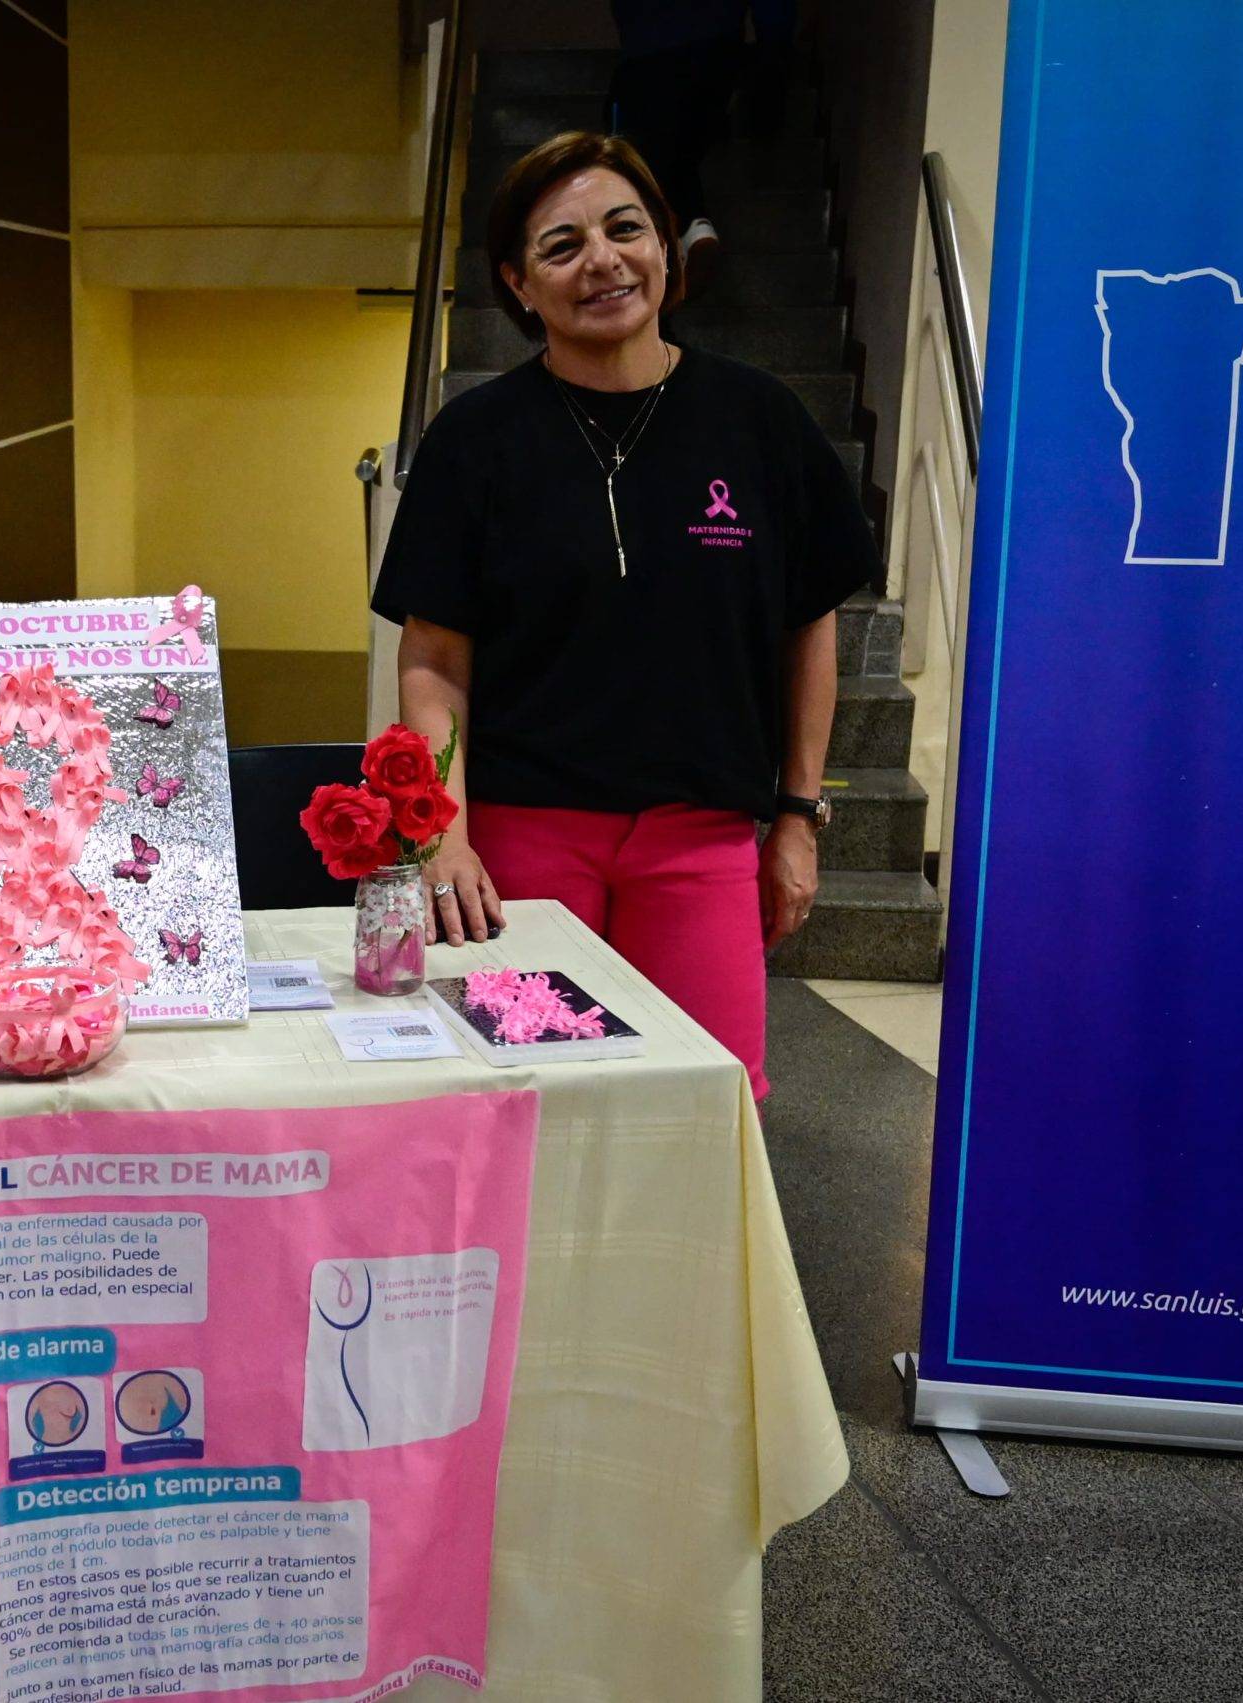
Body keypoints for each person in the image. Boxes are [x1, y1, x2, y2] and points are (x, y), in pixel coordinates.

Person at [373, 133, 874, 1098]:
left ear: (665, 250)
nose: (602, 259)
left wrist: (799, 816)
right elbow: (432, 657)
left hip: (701, 839)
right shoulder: (476, 440)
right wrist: (447, 836)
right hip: (524, 838)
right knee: (529, 1101)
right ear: (520, 286)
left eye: (625, 228)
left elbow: (810, 622)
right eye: (562, 246)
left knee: (705, 1099)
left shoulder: (760, 420)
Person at [605, 0, 796, 295]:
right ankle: (692, 231)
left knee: (637, 159)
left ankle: (682, 238)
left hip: (648, 48)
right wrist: (773, 52)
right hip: (714, 44)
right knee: (675, 146)